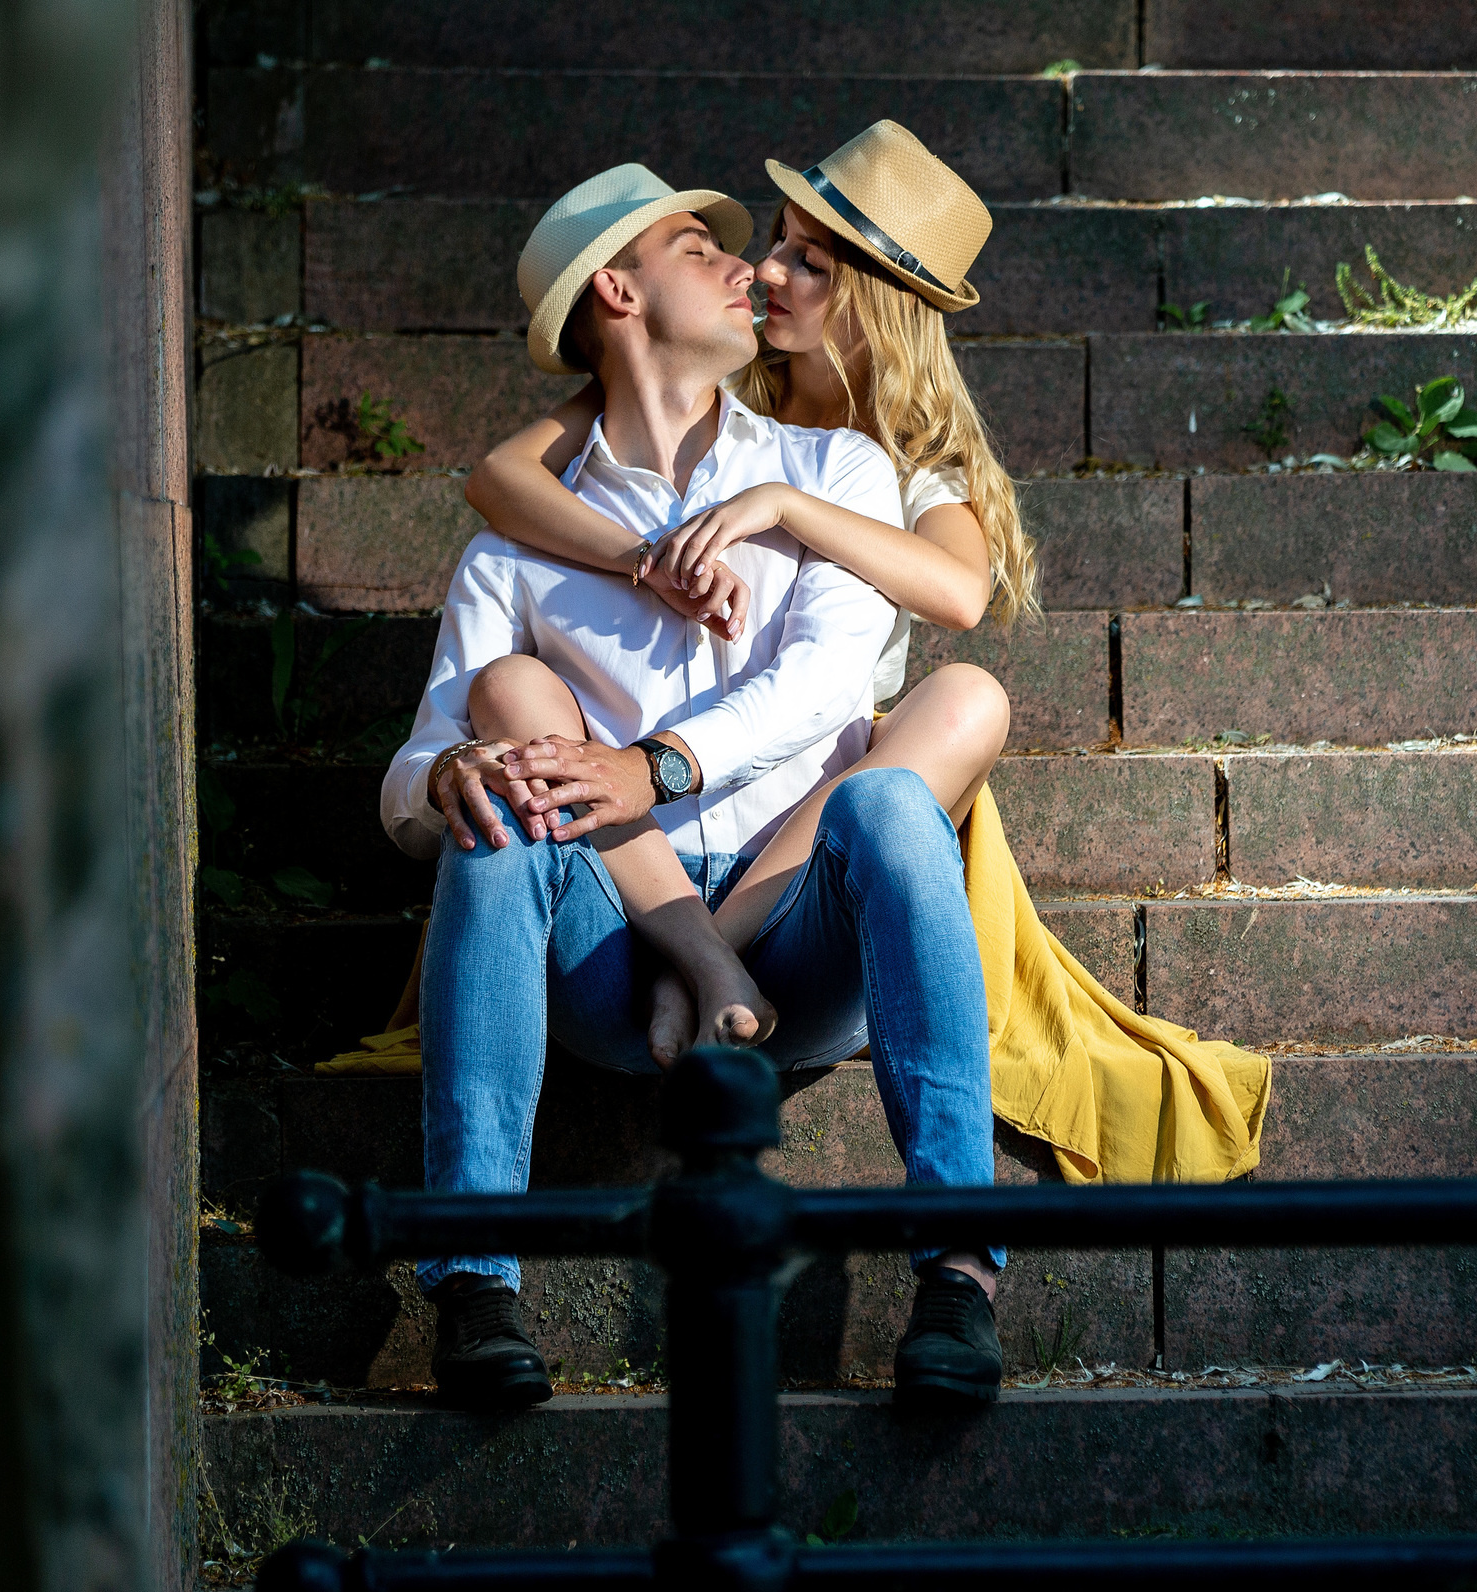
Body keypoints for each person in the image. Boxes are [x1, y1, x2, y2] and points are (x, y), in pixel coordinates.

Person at [380, 159, 1009, 1414]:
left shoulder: (835, 475)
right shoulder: (517, 546)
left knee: (889, 803)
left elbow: (832, 690)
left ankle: (956, 1271)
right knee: (498, 804)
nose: (750, 269)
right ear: (618, 289)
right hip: (606, 958)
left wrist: (649, 768)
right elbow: (407, 774)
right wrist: (449, 777)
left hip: (801, 936)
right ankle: (473, 1283)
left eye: (770, 254)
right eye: (702, 247)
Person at [413, 119, 1033, 1073]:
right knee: (507, 693)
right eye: (774, 244)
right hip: (665, 814)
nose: (764, 269)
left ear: (873, 306)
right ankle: (696, 950)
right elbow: (508, 472)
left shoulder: (887, 462)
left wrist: (785, 503)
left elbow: (957, 593)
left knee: (953, 709)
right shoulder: (725, 393)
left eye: (807, 263)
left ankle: (706, 954)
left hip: (824, 794)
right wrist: (642, 554)